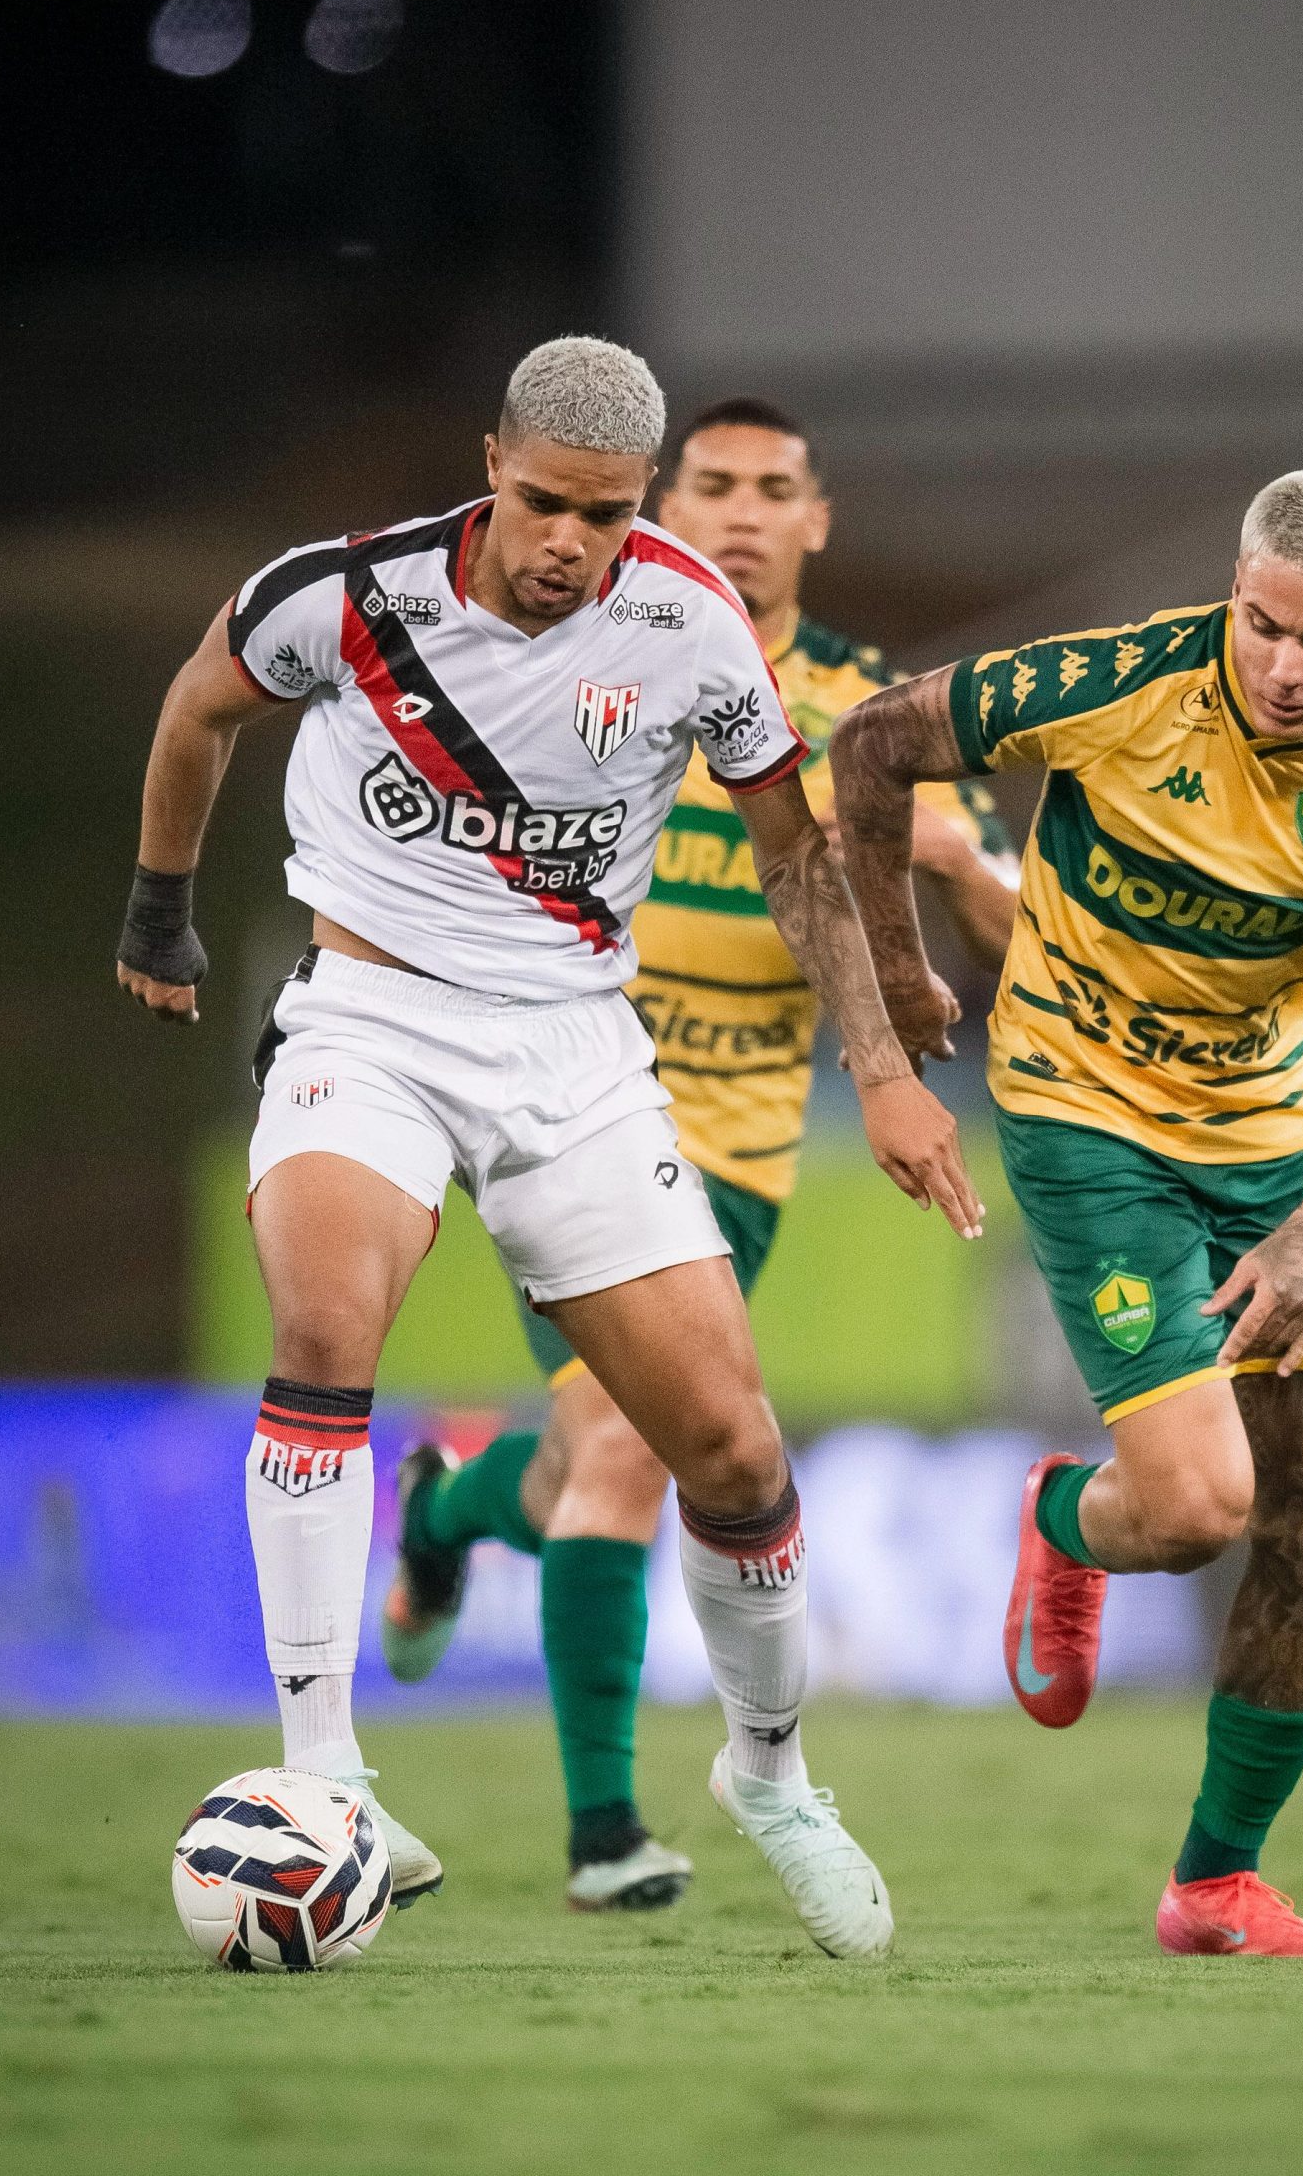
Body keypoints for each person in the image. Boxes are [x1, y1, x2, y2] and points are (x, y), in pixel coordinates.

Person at [116, 337, 983, 1961]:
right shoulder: (348, 595)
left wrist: (880, 1068)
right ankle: (328, 1779)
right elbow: (197, 705)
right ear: (490, 466)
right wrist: (160, 911)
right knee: (324, 1329)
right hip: (369, 1022)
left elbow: (796, 858)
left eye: (605, 513)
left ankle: (769, 1776)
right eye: (543, 504)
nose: (570, 542)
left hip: (578, 1056)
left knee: (731, 1453)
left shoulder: (687, 622)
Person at [381, 398, 1019, 1913]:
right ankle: (606, 1835)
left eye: (772, 488)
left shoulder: (880, 710)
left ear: (817, 519)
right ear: (665, 503)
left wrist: (948, 856)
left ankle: (448, 1511)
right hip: (562, 1102)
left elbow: (1020, 939)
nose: (740, 510)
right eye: (712, 484)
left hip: (738, 1153)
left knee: (582, 1465)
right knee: (620, 1447)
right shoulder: (577, 646)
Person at [831, 468, 1303, 1957]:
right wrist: (901, 969)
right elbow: (871, 744)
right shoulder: (1117, 681)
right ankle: (1064, 1517)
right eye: (1264, 626)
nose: (1286, 667)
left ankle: (1214, 1885)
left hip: (1274, 1142)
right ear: (1232, 590)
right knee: (1193, 1514)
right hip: (1084, 1110)